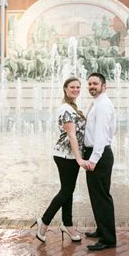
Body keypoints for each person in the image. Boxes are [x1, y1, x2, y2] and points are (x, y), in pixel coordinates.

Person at [31, 77, 89, 243]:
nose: (76, 89)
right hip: (66, 156)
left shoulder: (72, 107)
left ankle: (67, 225)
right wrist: (79, 158)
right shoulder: (65, 109)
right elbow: (71, 135)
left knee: (68, 190)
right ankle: (44, 221)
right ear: (65, 89)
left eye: (78, 87)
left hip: (69, 156)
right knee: (66, 191)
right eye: (72, 87)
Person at [82, 72, 117, 251]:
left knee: (102, 197)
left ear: (104, 86)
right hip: (97, 154)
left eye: (95, 84)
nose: (91, 87)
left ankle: (108, 239)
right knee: (97, 196)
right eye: (89, 84)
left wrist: (94, 159)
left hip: (99, 155)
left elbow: (102, 135)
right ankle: (101, 229)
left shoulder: (103, 105)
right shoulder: (98, 103)